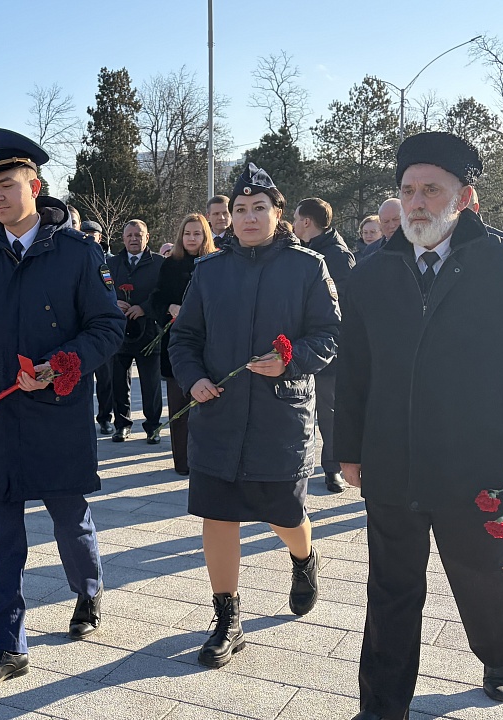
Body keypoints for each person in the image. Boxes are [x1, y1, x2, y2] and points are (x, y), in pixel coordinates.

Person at [334, 132, 503, 719]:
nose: (417, 202)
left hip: (477, 462)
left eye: (431, 190)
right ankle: (381, 704)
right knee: (390, 592)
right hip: (393, 464)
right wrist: (346, 449)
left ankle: (498, 654)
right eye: (408, 190)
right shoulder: (371, 274)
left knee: (485, 579)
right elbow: (354, 372)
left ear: (464, 196)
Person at [0, 128, 125, 695]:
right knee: (0, 534)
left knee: (70, 521)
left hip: (58, 411)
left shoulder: (77, 253)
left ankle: (88, 590)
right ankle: (8, 644)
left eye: (6, 184)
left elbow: (108, 326)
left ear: (34, 185)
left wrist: (63, 362)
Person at [169, 162, 340, 669]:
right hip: (217, 415)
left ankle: (304, 558)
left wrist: (292, 360)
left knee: (283, 513)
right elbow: (185, 338)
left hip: (278, 417)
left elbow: (330, 336)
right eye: (239, 209)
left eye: (258, 208)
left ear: (277, 213)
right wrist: (194, 378)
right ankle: (227, 616)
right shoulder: (209, 270)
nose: (247, 217)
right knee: (218, 515)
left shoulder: (307, 267)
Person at [293, 198, 355, 493]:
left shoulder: (337, 256)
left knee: (328, 411)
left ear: (307, 222)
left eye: (296, 219)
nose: (293, 225)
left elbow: (342, 307)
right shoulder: (301, 251)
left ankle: (333, 468)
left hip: (328, 347)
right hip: (300, 345)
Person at [148, 214, 216, 475]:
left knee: (207, 407)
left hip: (209, 345)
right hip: (176, 344)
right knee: (179, 406)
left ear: (205, 236)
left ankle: (206, 460)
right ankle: (183, 462)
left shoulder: (215, 263)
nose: (191, 238)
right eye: (187, 233)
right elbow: (156, 299)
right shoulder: (170, 265)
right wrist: (169, 307)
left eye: (197, 233)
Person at [106, 219, 163, 443]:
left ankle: (153, 427)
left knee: (151, 383)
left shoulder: (158, 263)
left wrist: (144, 308)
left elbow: (162, 293)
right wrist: (115, 303)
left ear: (147, 237)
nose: (134, 239)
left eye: (138, 235)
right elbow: (103, 290)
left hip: (148, 332)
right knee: (119, 381)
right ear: (123, 238)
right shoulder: (112, 264)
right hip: (120, 334)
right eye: (129, 235)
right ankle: (122, 425)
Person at [81, 219, 114, 434]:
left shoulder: (109, 261)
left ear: (100, 238)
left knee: (106, 378)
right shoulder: (74, 256)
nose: (89, 239)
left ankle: (105, 417)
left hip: (100, 327)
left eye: (93, 236)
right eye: (85, 235)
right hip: (79, 327)